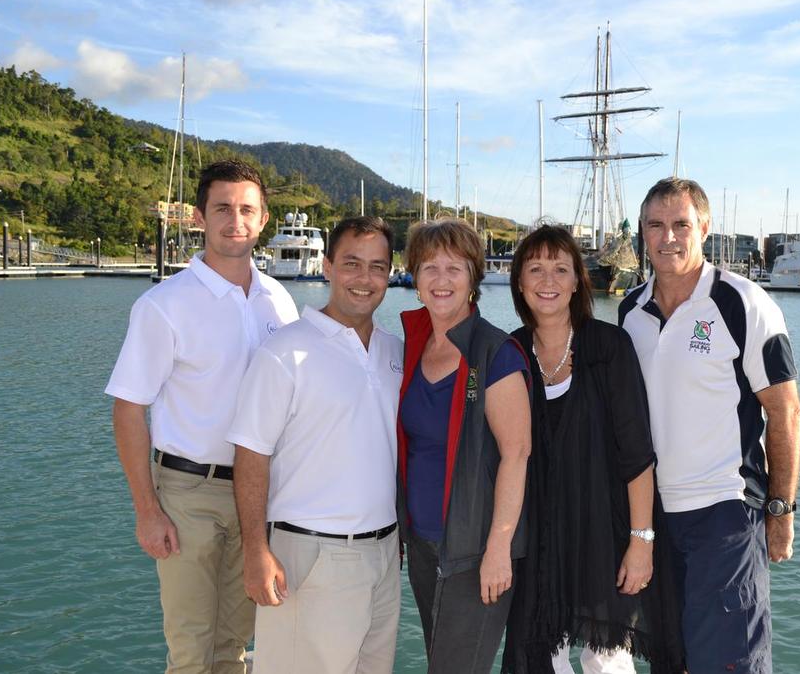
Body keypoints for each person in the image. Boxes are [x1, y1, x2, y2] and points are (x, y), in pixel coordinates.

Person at [106, 159, 299, 673]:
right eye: (222, 208)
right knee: (191, 650)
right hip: (188, 493)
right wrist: (147, 510)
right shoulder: (164, 305)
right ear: (199, 216)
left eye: (246, 209)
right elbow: (128, 410)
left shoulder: (280, 302)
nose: (235, 220)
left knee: (235, 644)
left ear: (263, 220)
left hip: (260, 494)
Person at [619, 177, 800, 674]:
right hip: (653, 519)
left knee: (729, 664)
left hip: (725, 516)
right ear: (642, 232)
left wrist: (781, 510)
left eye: (681, 224)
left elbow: (784, 410)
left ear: (704, 227)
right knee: (669, 662)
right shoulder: (629, 312)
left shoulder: (741, 303)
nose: (668, 237)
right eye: (655, 226)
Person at [501, 224, 685, 674]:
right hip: (538, 538)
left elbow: (637, 454)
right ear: (519, 282)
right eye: (536, 269)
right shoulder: (509, 353)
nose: (548, 281)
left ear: (577, 281)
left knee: (606, 659)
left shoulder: (608, 347)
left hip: (603, 532)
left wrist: (641, 543)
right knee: (541, 656)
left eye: (560, 269)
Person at [228, 216, 402, 674]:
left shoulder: (396, 352)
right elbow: (249, 456)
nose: (364, 279)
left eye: (377, 266)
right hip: (311, 553)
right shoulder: (285, 353)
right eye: (351, 264)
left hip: (385, 554)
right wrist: (255, 551)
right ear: (327, 267)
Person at [398, 219, 532, 674]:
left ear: (473, 278)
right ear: (414, 279)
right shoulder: (414, 347)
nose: (441, 279)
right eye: (429, 267)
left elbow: (517, 455)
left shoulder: (497, 354)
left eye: (454, 268)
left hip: (474, 552)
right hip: (423, 547)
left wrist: (498, 549)